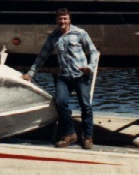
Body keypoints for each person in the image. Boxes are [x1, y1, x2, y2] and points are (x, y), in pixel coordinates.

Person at [22, 8, 100, 149]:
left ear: (69, 19)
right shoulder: (53, 37)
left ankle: (88, 137)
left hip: (81, 75)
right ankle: (70, 134)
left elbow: (93, 51)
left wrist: (90, 67)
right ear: (56, 20)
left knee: (85, 106)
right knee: (60, 102)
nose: (62, 21)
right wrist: (30, 73)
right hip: (64, 76)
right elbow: (42, 56)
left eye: (65, 18)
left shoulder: (79, 33)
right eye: (59, 19)